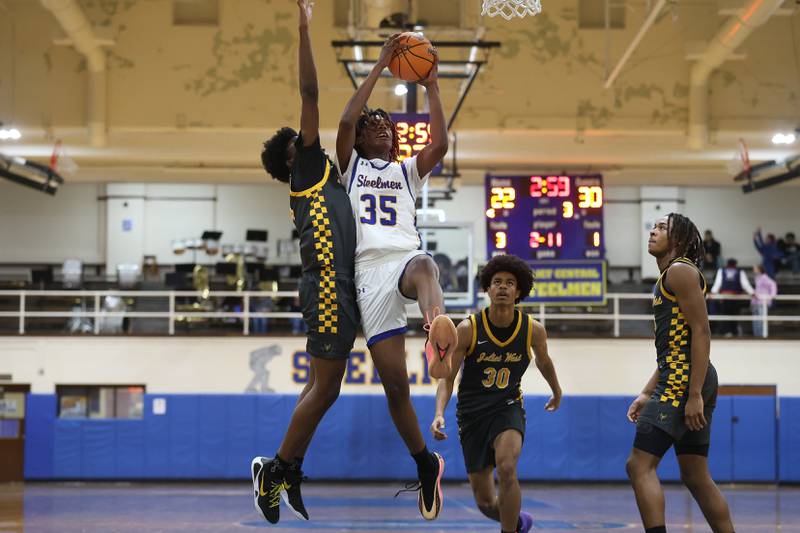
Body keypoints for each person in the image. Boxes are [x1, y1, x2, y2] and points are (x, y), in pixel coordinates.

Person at [334, 34, 454, 520]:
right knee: (396, 389)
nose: (382, 126)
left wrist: (433, 86)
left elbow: (441, 143)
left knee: (426, 264)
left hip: (404, 258)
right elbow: (344, 119)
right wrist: (382, 65)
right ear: (363, 138)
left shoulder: (407, 171)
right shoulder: (351, 165)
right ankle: (426, 464)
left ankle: (437, 331)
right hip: (367, 273)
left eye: (387, 123)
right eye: (374, 124)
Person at [251, 1, 359, 524]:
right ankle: (276, 468)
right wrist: (303, 29)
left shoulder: (316, 177)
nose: (307, 134)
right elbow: (311, 93)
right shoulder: (309, 167)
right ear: (294, 155)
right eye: (301, 138)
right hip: (329, 287)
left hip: (331, 286)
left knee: (317, 387)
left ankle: (289, 466)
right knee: (328, 387)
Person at [430, 254, 562, 533]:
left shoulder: (533, 330)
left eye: (510, 283)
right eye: (497, 282)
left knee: (506, 468)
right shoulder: (468, 329)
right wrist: (439, 413)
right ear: (487, 289)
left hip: (508, 407)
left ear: (519, 291)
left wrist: (557, 391)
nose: (503, 286)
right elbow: (447, 377)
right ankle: (517, 523)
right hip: (472, 415)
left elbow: (544, 362)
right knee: (486, 501)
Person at [626, 213, 735, 533]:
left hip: (685, 380)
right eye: (654, 226)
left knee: (639, 465)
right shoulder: (670, 276)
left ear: (679, 240)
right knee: (695, 474)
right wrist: (647, 391)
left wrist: (695, 393)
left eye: (662, 228)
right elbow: (677, 347)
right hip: (681, 375)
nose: (653, 231)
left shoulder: (680, 271)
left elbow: (702, 332)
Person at [710, 258, 754, 337]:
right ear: (735, 264)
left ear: (727, 263)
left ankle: (728, 332)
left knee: (726, 315)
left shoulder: (722, 270)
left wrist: (713, 292)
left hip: (725, 297)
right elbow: (745, 284)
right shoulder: (739, 271)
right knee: (734, 315)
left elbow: (717, 283)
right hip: (735, 297)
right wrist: (752, 293)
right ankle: (734, 331)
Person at [750, 264, 777, 338]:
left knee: (761, 319)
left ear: (759, 269)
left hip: (762, 301)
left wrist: (772, 296)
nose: (754, 270)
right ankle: (757, 334)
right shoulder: (757, 277)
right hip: (756, 301)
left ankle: (761, 335)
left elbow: (772, 284)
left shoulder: (764, 277)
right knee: (756, 319)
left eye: (755, 268)